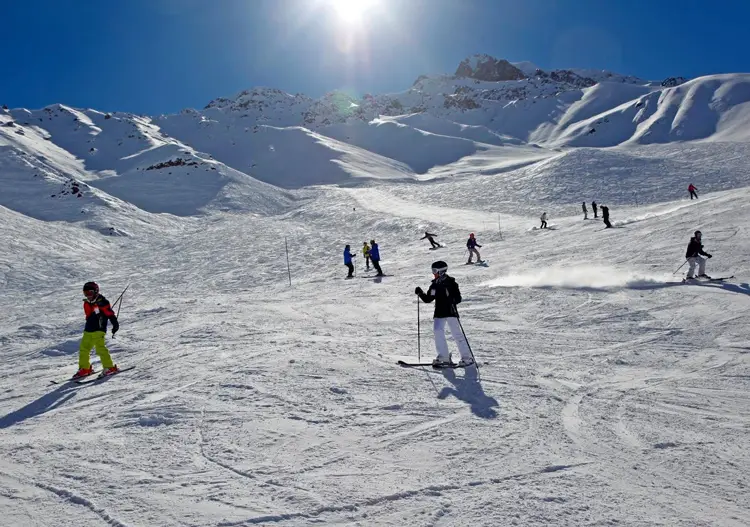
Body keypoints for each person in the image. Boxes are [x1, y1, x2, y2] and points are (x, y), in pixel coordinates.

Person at [414, 261, 474, 368]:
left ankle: (467, 358)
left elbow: (458, 298)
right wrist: (420, 293)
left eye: (434, 271)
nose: (433, 273)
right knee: (437, 332)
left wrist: (451, 299)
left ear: (441, 271)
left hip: (451, 311)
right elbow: (428, 299)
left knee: (456, 334)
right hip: (439, 312)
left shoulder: (451, 283)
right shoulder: (434, 284)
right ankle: (444, 357)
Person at [74, 282, 120, 379]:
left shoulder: (102, 302)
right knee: (84, 349)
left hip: (99, 329)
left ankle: (109, 367)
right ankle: (85, 368)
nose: (88, 296)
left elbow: (110, 314)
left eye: (89, 293)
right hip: (89, 329)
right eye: (85, 293)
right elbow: (88, 315)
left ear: (96, 291)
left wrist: (115, 324)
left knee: (100, 348)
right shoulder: (86, 303)